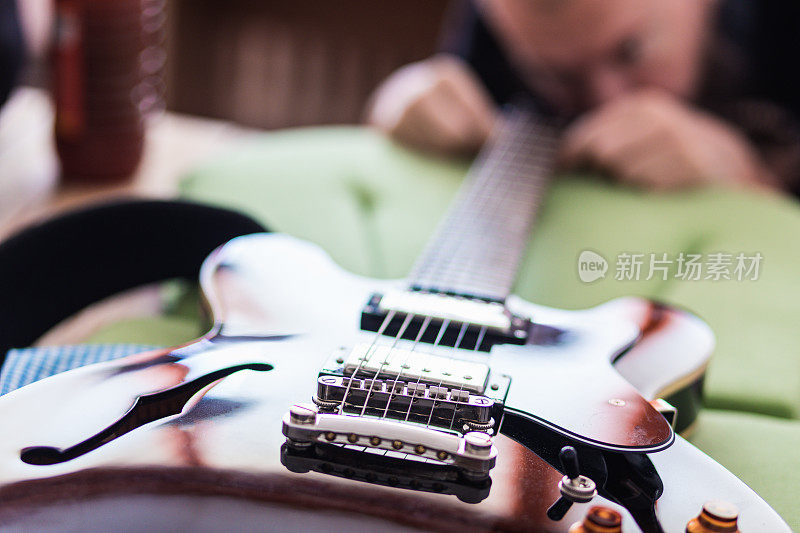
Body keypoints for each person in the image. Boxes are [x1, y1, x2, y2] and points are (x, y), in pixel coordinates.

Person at [367, 0, 800, 195]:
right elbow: (447, 93)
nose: (607, 101)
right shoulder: (504, 26)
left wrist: (750, 179)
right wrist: (402, 98)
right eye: (559, 75)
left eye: (629, 52)